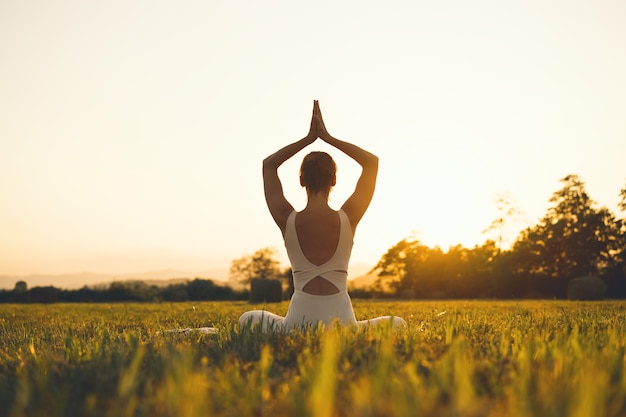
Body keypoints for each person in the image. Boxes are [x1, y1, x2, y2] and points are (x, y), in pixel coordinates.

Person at [238, 100, 406, 331]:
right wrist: (327, 137)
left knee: (248, 318)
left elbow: (269, 165)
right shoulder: (349, 217)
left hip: (297, 325)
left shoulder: (287, 219)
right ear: (334, 180)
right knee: (398, 324)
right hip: (342, 325)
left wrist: (307, 139)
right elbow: (371, 163)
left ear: (301, 181)